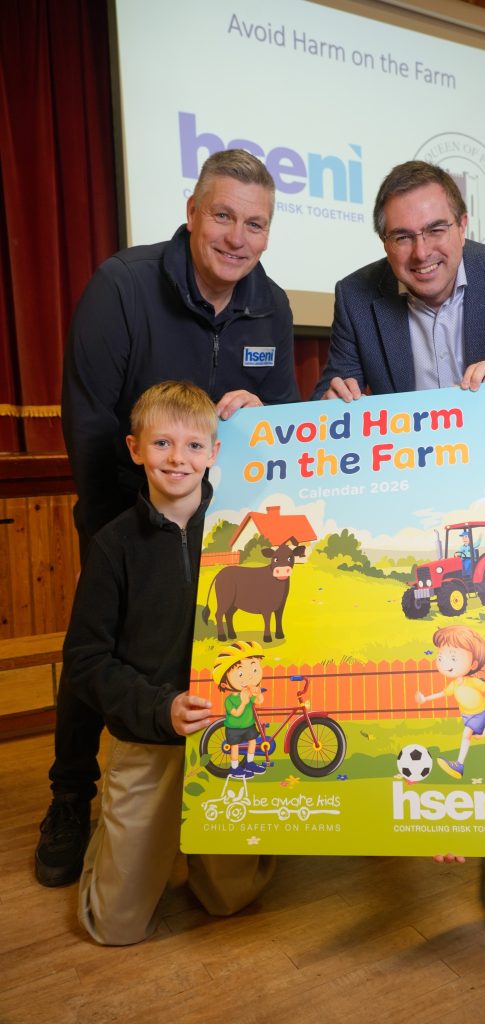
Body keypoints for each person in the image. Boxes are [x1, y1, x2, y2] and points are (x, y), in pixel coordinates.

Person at [36, 148, 299, 888]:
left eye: (255, 224)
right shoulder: (122, 286)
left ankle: (210, 783)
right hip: (127, 516)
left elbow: (277, 417)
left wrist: (261, 413)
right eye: (223, 216)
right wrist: (120, 534)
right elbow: (91, 421)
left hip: (218, 524)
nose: (237, 238)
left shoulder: (272, 306)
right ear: (191, 213)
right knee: (99, 647)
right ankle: (69, 796)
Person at [65, 380, 275, 945]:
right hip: (148, 738)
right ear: (135, 449)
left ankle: (230, 842)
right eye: (162, 443)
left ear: (214, 453)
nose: (178, 458)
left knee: (230, 901)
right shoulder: (113, 546)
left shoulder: (239, 534)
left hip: (226, 733)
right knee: (115, 928)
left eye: (193, 445)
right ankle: (118, 839)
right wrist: (160, 708)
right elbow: (85, 660)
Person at [313, 160, 485, 408]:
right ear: (385, 243)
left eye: (435, 230)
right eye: (403, 237)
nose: (421, 253)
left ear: (462, 227)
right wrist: (330, 405)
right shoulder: (355, 296)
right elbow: (327, 398)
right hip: (405, 438)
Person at [414, 625, 485, 779]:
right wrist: (426, 699)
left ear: (473, 664)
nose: (445, 663)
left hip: (480, 712)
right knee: (477, 736)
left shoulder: (472, 681)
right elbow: (442, 693)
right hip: (466, 715)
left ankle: (459, 765)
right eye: (440, 657)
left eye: (453, 658)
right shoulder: (454, 684)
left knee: (467, 734)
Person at [214, 641, 267, 778]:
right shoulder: (229, 700)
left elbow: (259, 701)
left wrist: (258, 693)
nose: (249, 677)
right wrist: (243, 702)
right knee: (235, 747)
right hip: (234, 727)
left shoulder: (248, 693)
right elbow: (236, 713)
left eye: (254, 670)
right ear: (225, 683)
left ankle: (249, 763)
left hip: (248, 724)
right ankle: (234, 768)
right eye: (241, 673)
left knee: (252, 742)